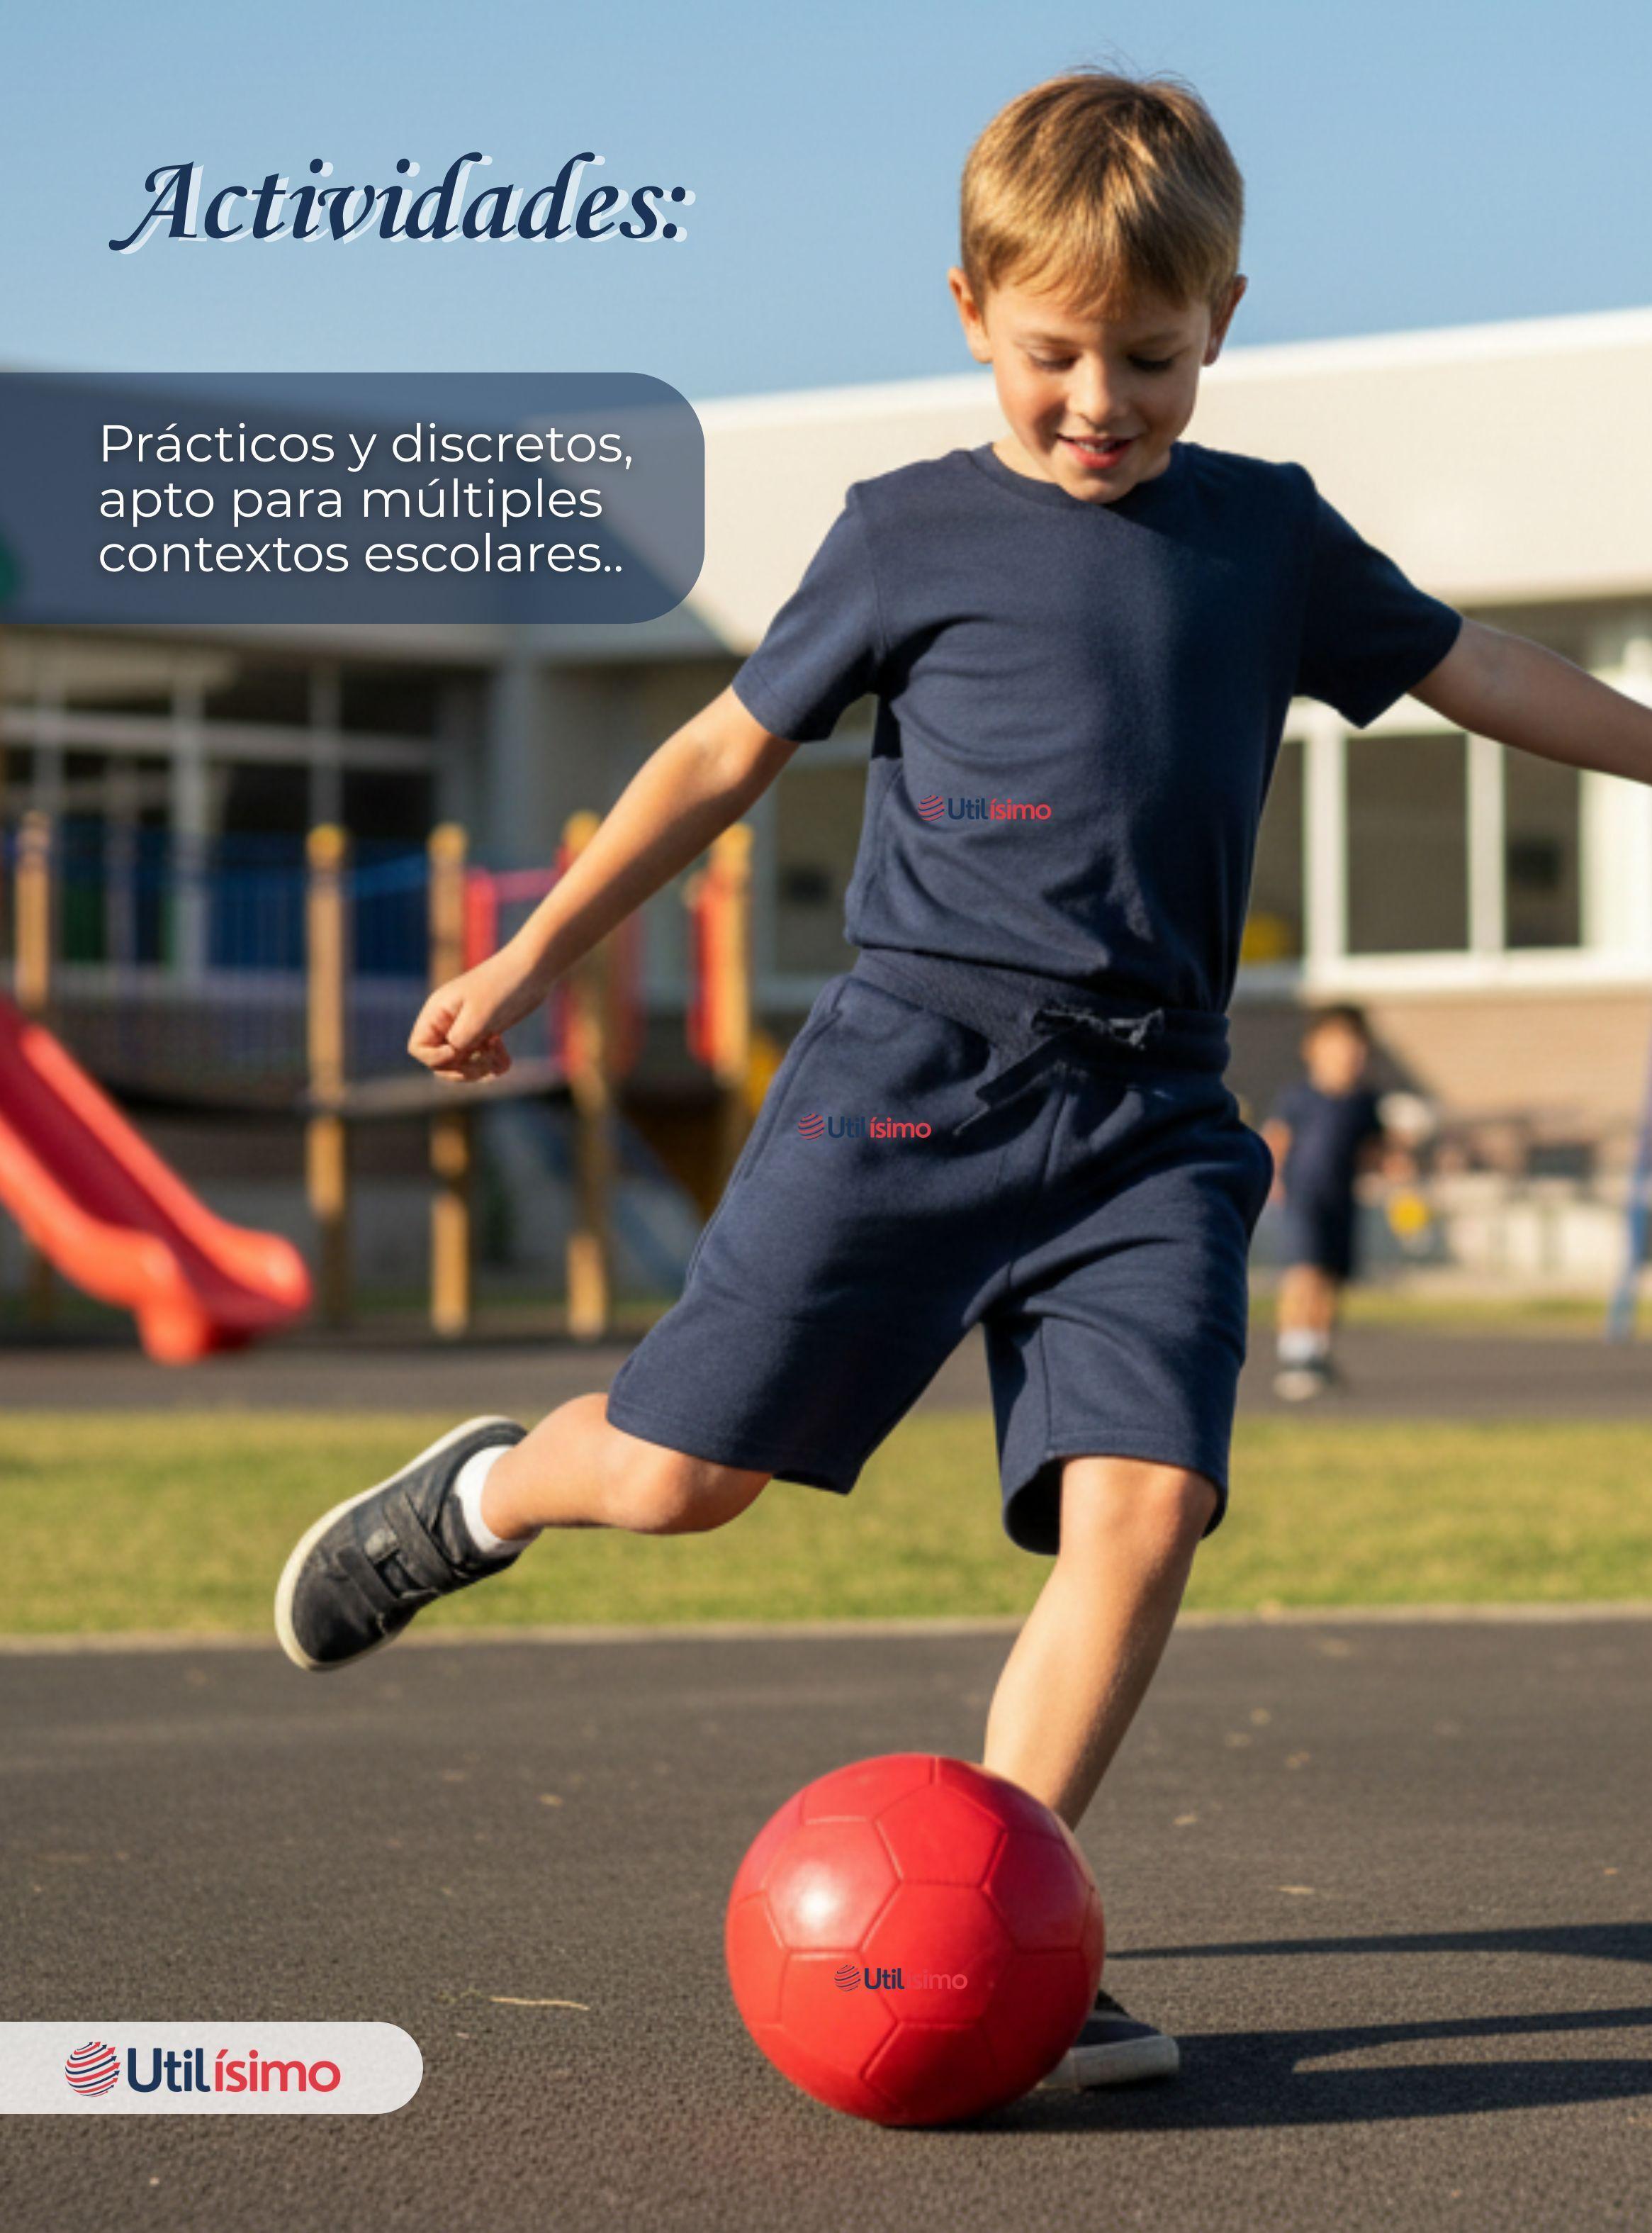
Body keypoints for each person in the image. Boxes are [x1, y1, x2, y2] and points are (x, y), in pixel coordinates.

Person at [274, 66, 1652, 2094]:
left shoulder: (1267, 537)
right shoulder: (904, 530)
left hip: (1155, 1117)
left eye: (1153, 358)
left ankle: (1019, 1916)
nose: (1102, 398)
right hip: (911, 1072)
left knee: (1148, 1504)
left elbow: (1482, 670)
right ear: (967, 313)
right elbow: (715, 762)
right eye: (1054, 354)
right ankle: (485, 1486)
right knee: (678, 1480)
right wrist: (531, 950)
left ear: (1224, 323)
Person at [1264, 1006, 1388, 1401]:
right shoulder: (1299, 1097)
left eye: (1354, 1047)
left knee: (1332, 1278)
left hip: (1342, 1202)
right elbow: (1275, 1139)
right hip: (1304, 1197)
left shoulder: (1364, 1102)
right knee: (1304, 1274)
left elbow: (1375, 1151)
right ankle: (1294, 1352)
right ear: (1313, 1049)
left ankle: (1318, 1351)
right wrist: (1270, 1177)